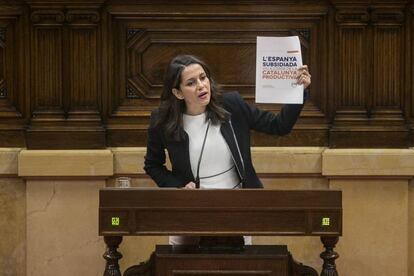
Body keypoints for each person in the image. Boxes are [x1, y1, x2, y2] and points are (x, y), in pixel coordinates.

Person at [144, 54, 311, 245]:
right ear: (178, 93)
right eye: (191, 83)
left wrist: (299, 91)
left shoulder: (231, 105)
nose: (201, 85)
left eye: (203, 77)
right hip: (190, 213)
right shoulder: (162, 121)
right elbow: (152, 165)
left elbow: (279, 126)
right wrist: (178, 186)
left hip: (236, 211)